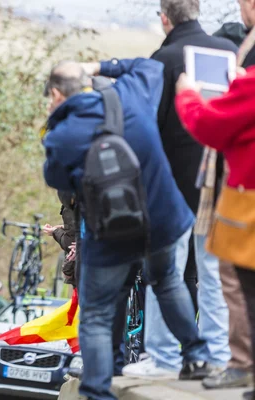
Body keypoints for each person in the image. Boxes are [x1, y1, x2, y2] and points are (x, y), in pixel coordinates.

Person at [41, 59, 210, 399]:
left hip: (111, 232)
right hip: (163, 218)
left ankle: (98, 392)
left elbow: (57, 180)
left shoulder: (62, 136)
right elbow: (150, 67)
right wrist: (101, 65)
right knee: (167, 281)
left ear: (57, 94)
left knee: (99, 314)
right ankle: (196, 355)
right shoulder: (131, 93)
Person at [121, 0, 236, 380]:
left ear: (164, 18)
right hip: (221, 184)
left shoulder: (164, 58)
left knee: (165, 275)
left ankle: (165, 356)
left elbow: (147, 127)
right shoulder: (229, 52)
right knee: (215, 275)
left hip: (172, 189)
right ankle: (218, 354)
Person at [175, 56, 255, 400]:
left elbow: (208, 125)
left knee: (239, 287)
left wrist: (188, 95)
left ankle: (241, 365)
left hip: (246, 203)